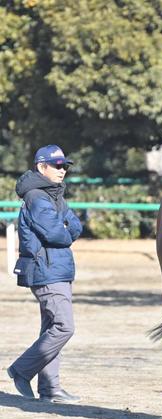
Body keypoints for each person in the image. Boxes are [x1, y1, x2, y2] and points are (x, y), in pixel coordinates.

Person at [7, 145, 83, 403]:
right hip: (46, 269)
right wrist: (64, 227)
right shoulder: (38, 197)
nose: (63, 170)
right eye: (57, 165)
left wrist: (65, 226)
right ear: (42, 167)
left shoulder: (54, 196)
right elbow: (56, 234)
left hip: (57, 268)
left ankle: (50, 388)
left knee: (52, 327)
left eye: (65, 166)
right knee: (64, 327)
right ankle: (20, 370)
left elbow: (75, 226)